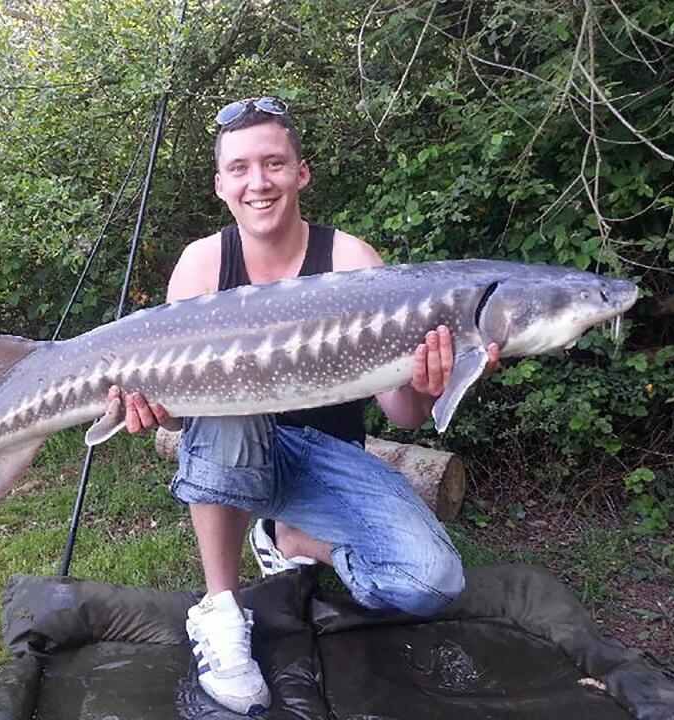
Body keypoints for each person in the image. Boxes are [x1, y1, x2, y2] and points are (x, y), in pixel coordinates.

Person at [107, 97, 500, 716]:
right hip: (234, 450)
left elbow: (403, 418)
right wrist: (151, 410)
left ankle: (292, 535)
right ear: (220, 184)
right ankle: (221, 611)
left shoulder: (351, 260)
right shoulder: (204, 263)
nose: (257, 182)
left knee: (432, 583)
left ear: (301, 172)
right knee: (225, 406)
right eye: (239, 168)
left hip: (330, 458)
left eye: (273, 163)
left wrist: (426, 383)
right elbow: (185, 417)